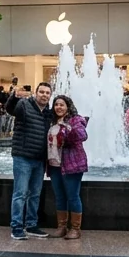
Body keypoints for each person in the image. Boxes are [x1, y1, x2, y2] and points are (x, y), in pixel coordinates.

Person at [9, 82, 54, 239]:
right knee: (20, 194)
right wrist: (14, 97)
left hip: (39, 159)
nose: (44, 95)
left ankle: (31, 225)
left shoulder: (48, 113)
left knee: (35, 194)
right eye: (41, 92)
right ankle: (16, 227)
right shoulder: (24, 105)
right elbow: (11, 109)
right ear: (36, 93)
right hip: (23, 157)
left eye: (47, 93)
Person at [47, 95, 89, 240]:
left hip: (72, 164)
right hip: (54, 165)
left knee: (72, 196)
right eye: (56, 104)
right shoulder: (51, 121)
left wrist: (68, 129)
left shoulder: (76, 120)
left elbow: (83, 135)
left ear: (68, 107)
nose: (59, 107)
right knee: (60, 197)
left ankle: (75, 229)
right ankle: (61, 227)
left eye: (62, 105)